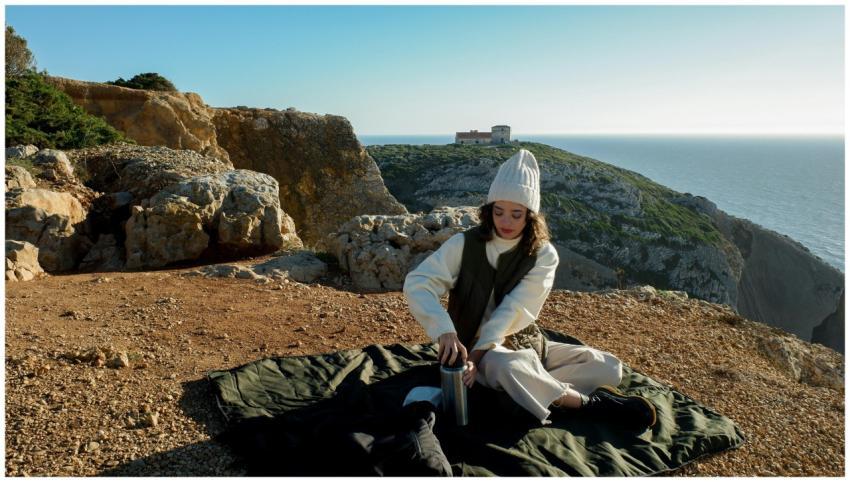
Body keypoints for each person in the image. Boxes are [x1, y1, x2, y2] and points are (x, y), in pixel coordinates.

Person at [403, 149, 656, 430]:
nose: (506, 222)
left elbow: (513, 310)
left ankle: (530, 391)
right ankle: (590, 404)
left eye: (516, 214)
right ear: (489, 210)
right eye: (499, 212)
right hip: (480, 352)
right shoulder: (463, 245)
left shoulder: (543, 255)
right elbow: (418, 282)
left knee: (610, 368)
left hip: (526, 343)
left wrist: (478, 360)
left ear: (530, 216)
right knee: (509, 367)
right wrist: (444, 330)